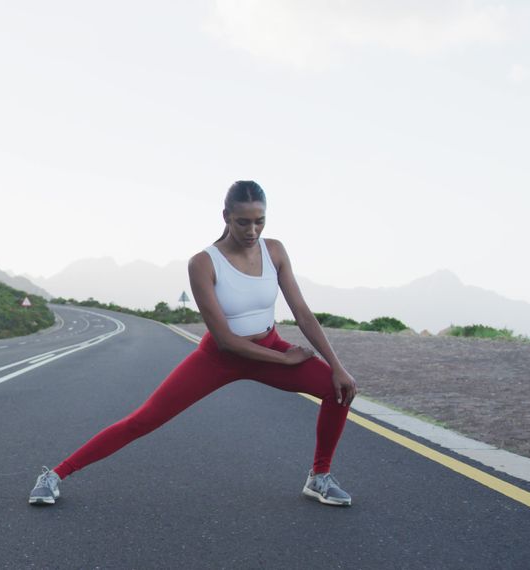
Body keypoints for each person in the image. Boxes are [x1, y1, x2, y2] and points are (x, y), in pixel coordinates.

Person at [29, 180, 358, 507]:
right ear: (226, 216)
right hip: (220, 358)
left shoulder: (274, 251)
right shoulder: (203, 263)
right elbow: (227, 342)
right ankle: (55, 475)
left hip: (269, 345)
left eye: (260, 221)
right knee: (145, 419)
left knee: (338, 388)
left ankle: (319, 477)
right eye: (243, 221)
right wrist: (286, 360)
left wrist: (337, 367)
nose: (252, 230)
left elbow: (301, 312)